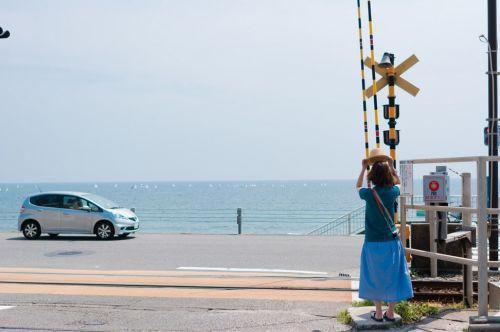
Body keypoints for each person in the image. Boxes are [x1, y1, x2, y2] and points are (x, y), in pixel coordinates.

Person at [355, 148, 413, 322]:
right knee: (393, 275)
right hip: (391, 242)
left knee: (374, 276)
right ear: (388, 175)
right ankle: (390, 312)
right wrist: (391, 166)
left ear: (372, 176)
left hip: (372, 242)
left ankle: (378, 312)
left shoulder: (368, 194)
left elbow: (358, 186)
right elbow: (399, 183)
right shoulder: (392, 192)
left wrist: (363, 168)